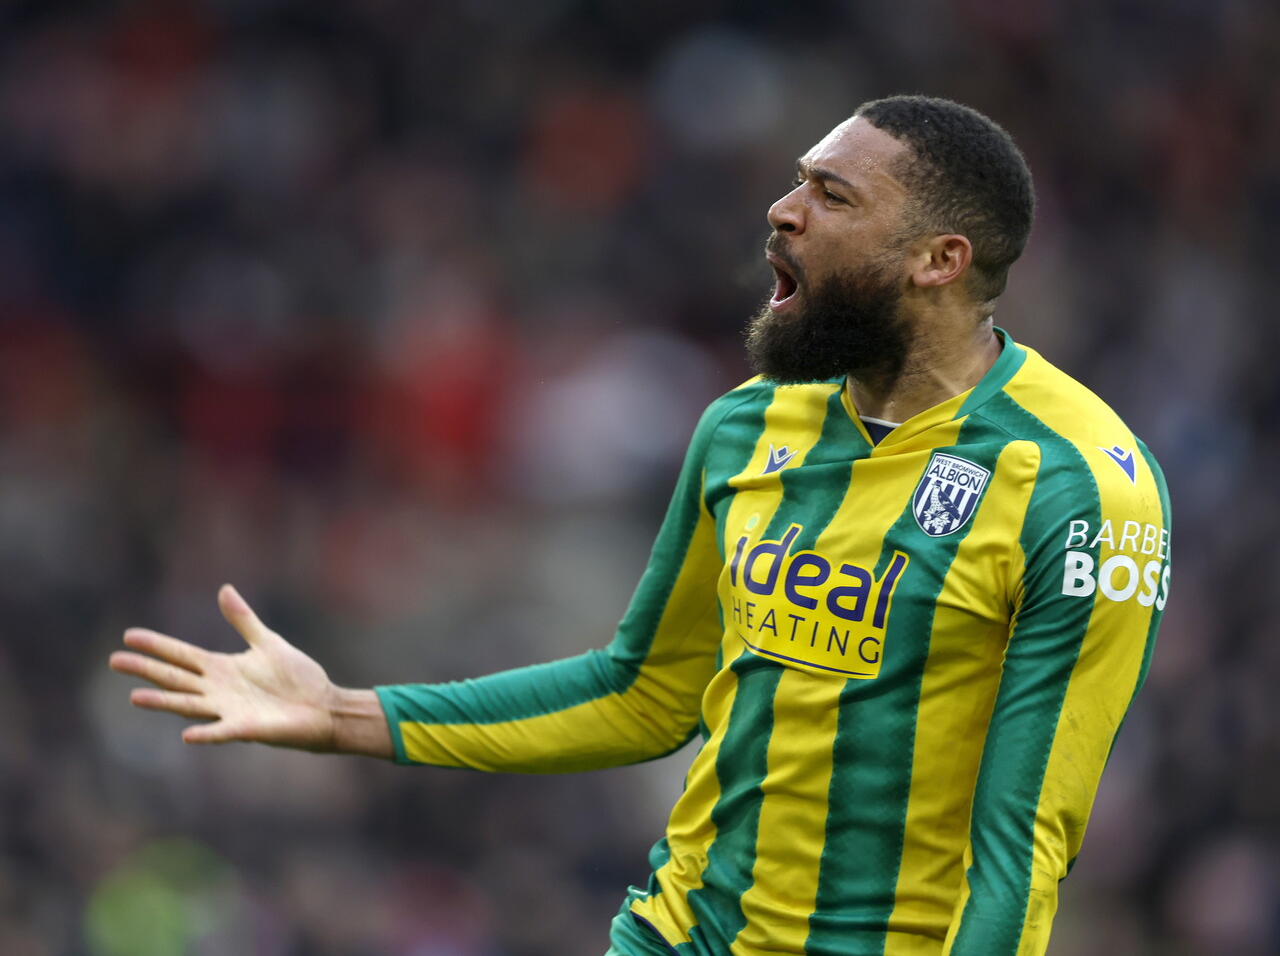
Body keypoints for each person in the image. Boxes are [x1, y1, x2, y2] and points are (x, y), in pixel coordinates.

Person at [110, 95, 1171, 956]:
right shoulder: (747, 426)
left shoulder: (1080, 488)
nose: (781, 209)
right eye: (796, 178)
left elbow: (1019, 843)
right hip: (675, 936)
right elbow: (645, 690)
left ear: (935, 259)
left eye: (828, 194)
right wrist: (345, 714)